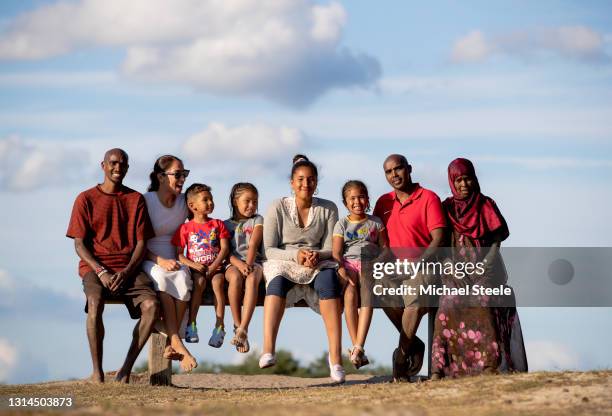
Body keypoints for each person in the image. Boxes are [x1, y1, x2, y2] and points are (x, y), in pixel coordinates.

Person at [66, 148, 159, 383]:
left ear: (127, 168)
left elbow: (141, 243)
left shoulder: (135, 199)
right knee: (95, 302)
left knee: (152, 305)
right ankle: (97, 373)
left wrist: (127, 271)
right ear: (103, 165)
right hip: (95, 269)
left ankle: (125, 370)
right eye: (113, 163)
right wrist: (101, 271)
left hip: (129, 269)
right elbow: (79, 245)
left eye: (123, 164)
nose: (118, 168)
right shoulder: (85, 198)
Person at [431, 157, 528, 379]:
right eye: (459, 180)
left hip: (486, 270)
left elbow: (496, 240)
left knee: (482, 299)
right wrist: (451, 267)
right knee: (448, 303)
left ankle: (489, 366)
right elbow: (440, 243)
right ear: (451, 182)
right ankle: (440, 368)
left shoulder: (486, 204)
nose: (464, 185)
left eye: (468, 179)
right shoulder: (445, 208)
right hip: (454, 271)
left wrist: (485, 263)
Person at [260, 154, 345, 383]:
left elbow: (331, 247)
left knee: (329, 284)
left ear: (316, 182)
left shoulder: (328, 208)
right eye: (300, 179)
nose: (305, 184)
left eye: (310, 179)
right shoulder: (277, 206)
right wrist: (295, 255)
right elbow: (268, 249)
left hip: (319, 261)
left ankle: (336, 360)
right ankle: (268, 349)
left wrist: (317, 255)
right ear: (291, 182)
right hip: (284, 260)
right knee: (276, 282)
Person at [373, 154, 446, 382]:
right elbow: (377, 239)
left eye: (398, 169)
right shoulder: (383, 202)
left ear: (409, 169)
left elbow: (438, 238)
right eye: (388, 172)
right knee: (377, 288)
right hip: (394, 269)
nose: (394, 175)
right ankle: (414, 343)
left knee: (413, 299)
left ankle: (401, 361)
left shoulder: (428, 198)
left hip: (425, 266)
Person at [141, 155, 197, 372]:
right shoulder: (146, 201)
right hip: (149, 257)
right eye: (177, 174)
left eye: (184, 173)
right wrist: (160, 261)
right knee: (163, 278)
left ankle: (172, 342)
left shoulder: (184, 202)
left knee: (184, 278)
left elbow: (201, 222)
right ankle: (176, 341)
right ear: (161, 177)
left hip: (175, 256)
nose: (182, 178)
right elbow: (137, 243)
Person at [332, 180, 387, 369]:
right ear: (346, 202)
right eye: (352, 198)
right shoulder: (342, 224)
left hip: (370, 263)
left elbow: (385, 248)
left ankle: (358, 346)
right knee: (349, 293)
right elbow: (337, 252)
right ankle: (358, 347)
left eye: (361, 197)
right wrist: (340, 267)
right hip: (348, 264)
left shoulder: (376, 222)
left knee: (367, 292)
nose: (357, 202)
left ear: (368, 199)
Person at [172, 183, 230, 348]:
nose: (210, 202)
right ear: (192, 206)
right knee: (199, 283)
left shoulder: (218, 224)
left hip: (216, 267)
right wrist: (194, 265)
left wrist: (214, 266)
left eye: (211, 199)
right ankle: (192, 325)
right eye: (205, 200)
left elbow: (225, 249)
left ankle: (219, 327)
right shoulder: (185, 228)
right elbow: (179, 255)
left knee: (218, 283)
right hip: (197, 269)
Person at [224, 183, 265, 353]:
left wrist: (247, 264)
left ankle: (243, 329)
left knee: (252, 278)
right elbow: (225, 251)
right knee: (235, 277)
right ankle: (236, 323)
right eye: (247, 201)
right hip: (233, 263)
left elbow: (254, 243)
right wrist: (239, 264)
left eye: (255, 201)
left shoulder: (257, 220)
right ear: (235, 201)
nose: (251, 205)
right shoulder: (224, 224)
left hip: (254, 262)